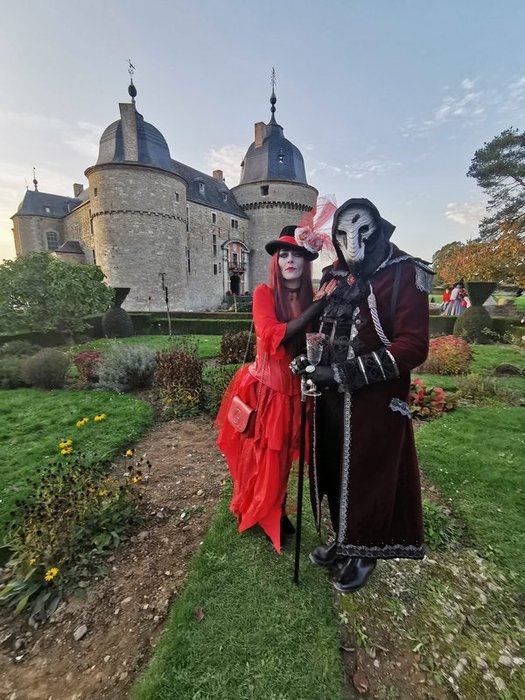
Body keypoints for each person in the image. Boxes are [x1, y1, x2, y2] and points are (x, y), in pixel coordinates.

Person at [291, 198, 433, 593]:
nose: (351, 241)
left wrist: (344, 372)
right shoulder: (333, 275)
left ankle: (366, 551)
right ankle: (344, 539)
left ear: (378, 228)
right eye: (342, 232)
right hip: (331, 399)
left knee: (369, 474)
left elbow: (413, 346)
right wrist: (308, 360)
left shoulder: (405, 272)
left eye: (361, 229)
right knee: (337, 470)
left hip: (374, 403)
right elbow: (322, 324)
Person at [216, 226, 336, 552]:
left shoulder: (313, 297)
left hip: (298, 391)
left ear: (306, 260)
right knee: (265, 458)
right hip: (267, 390)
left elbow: (313, 343)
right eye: (283, 254)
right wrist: (318, 307)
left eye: (296, 253)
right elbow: (272, 335)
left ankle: (274, 508)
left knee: (283, 460)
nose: (289, 259)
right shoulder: (263, 294)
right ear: (276, 261)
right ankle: (270, 515)